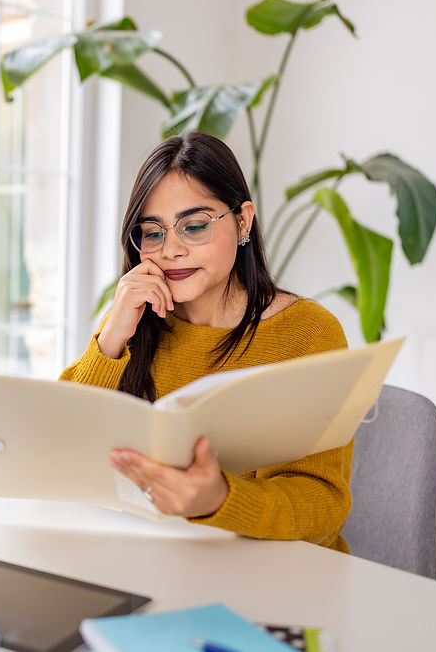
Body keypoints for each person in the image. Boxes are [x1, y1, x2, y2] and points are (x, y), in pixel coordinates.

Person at [59, 132, 352, 552]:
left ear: (243, 221)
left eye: (194, 226)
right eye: (153, 232)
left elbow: (322, 507)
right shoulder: (138, 320)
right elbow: (61, 448)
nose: (171, 250)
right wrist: (110, 340)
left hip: (279, 578)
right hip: (157, 561)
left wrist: (218, 499)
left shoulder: (308, 333)